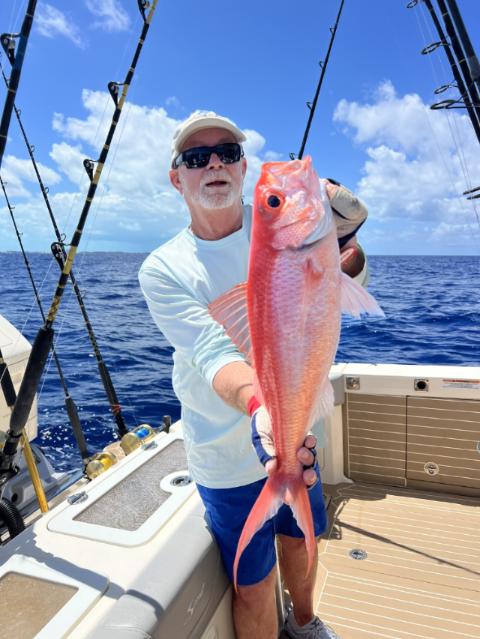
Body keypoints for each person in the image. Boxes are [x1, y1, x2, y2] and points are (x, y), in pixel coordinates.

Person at [138, 111, 368, 639]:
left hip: (297, 435)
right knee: (253, 584)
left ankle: (305, 624)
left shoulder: (291, 225)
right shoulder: (164, 267)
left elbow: (351, 276)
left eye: (228, 153)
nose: (214, 163)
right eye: (197, 157)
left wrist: (347, 241)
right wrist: (262, 408)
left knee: (300, 542)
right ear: (178, 178)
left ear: (243, 169)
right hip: (225, 456)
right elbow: (212, 351)